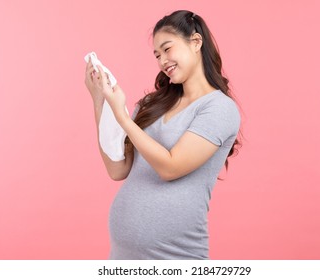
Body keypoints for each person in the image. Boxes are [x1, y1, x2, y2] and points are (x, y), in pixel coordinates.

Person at [85, 10, 243, 259]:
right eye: (157, 55)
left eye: (167, 49)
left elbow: (171, 167)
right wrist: (100, 102)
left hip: (176, 257)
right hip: (122, 258)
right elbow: (117, 169)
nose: (162, 61)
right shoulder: (151, 104)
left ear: (196, 42)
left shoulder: (219, 108)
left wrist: (123, 118)